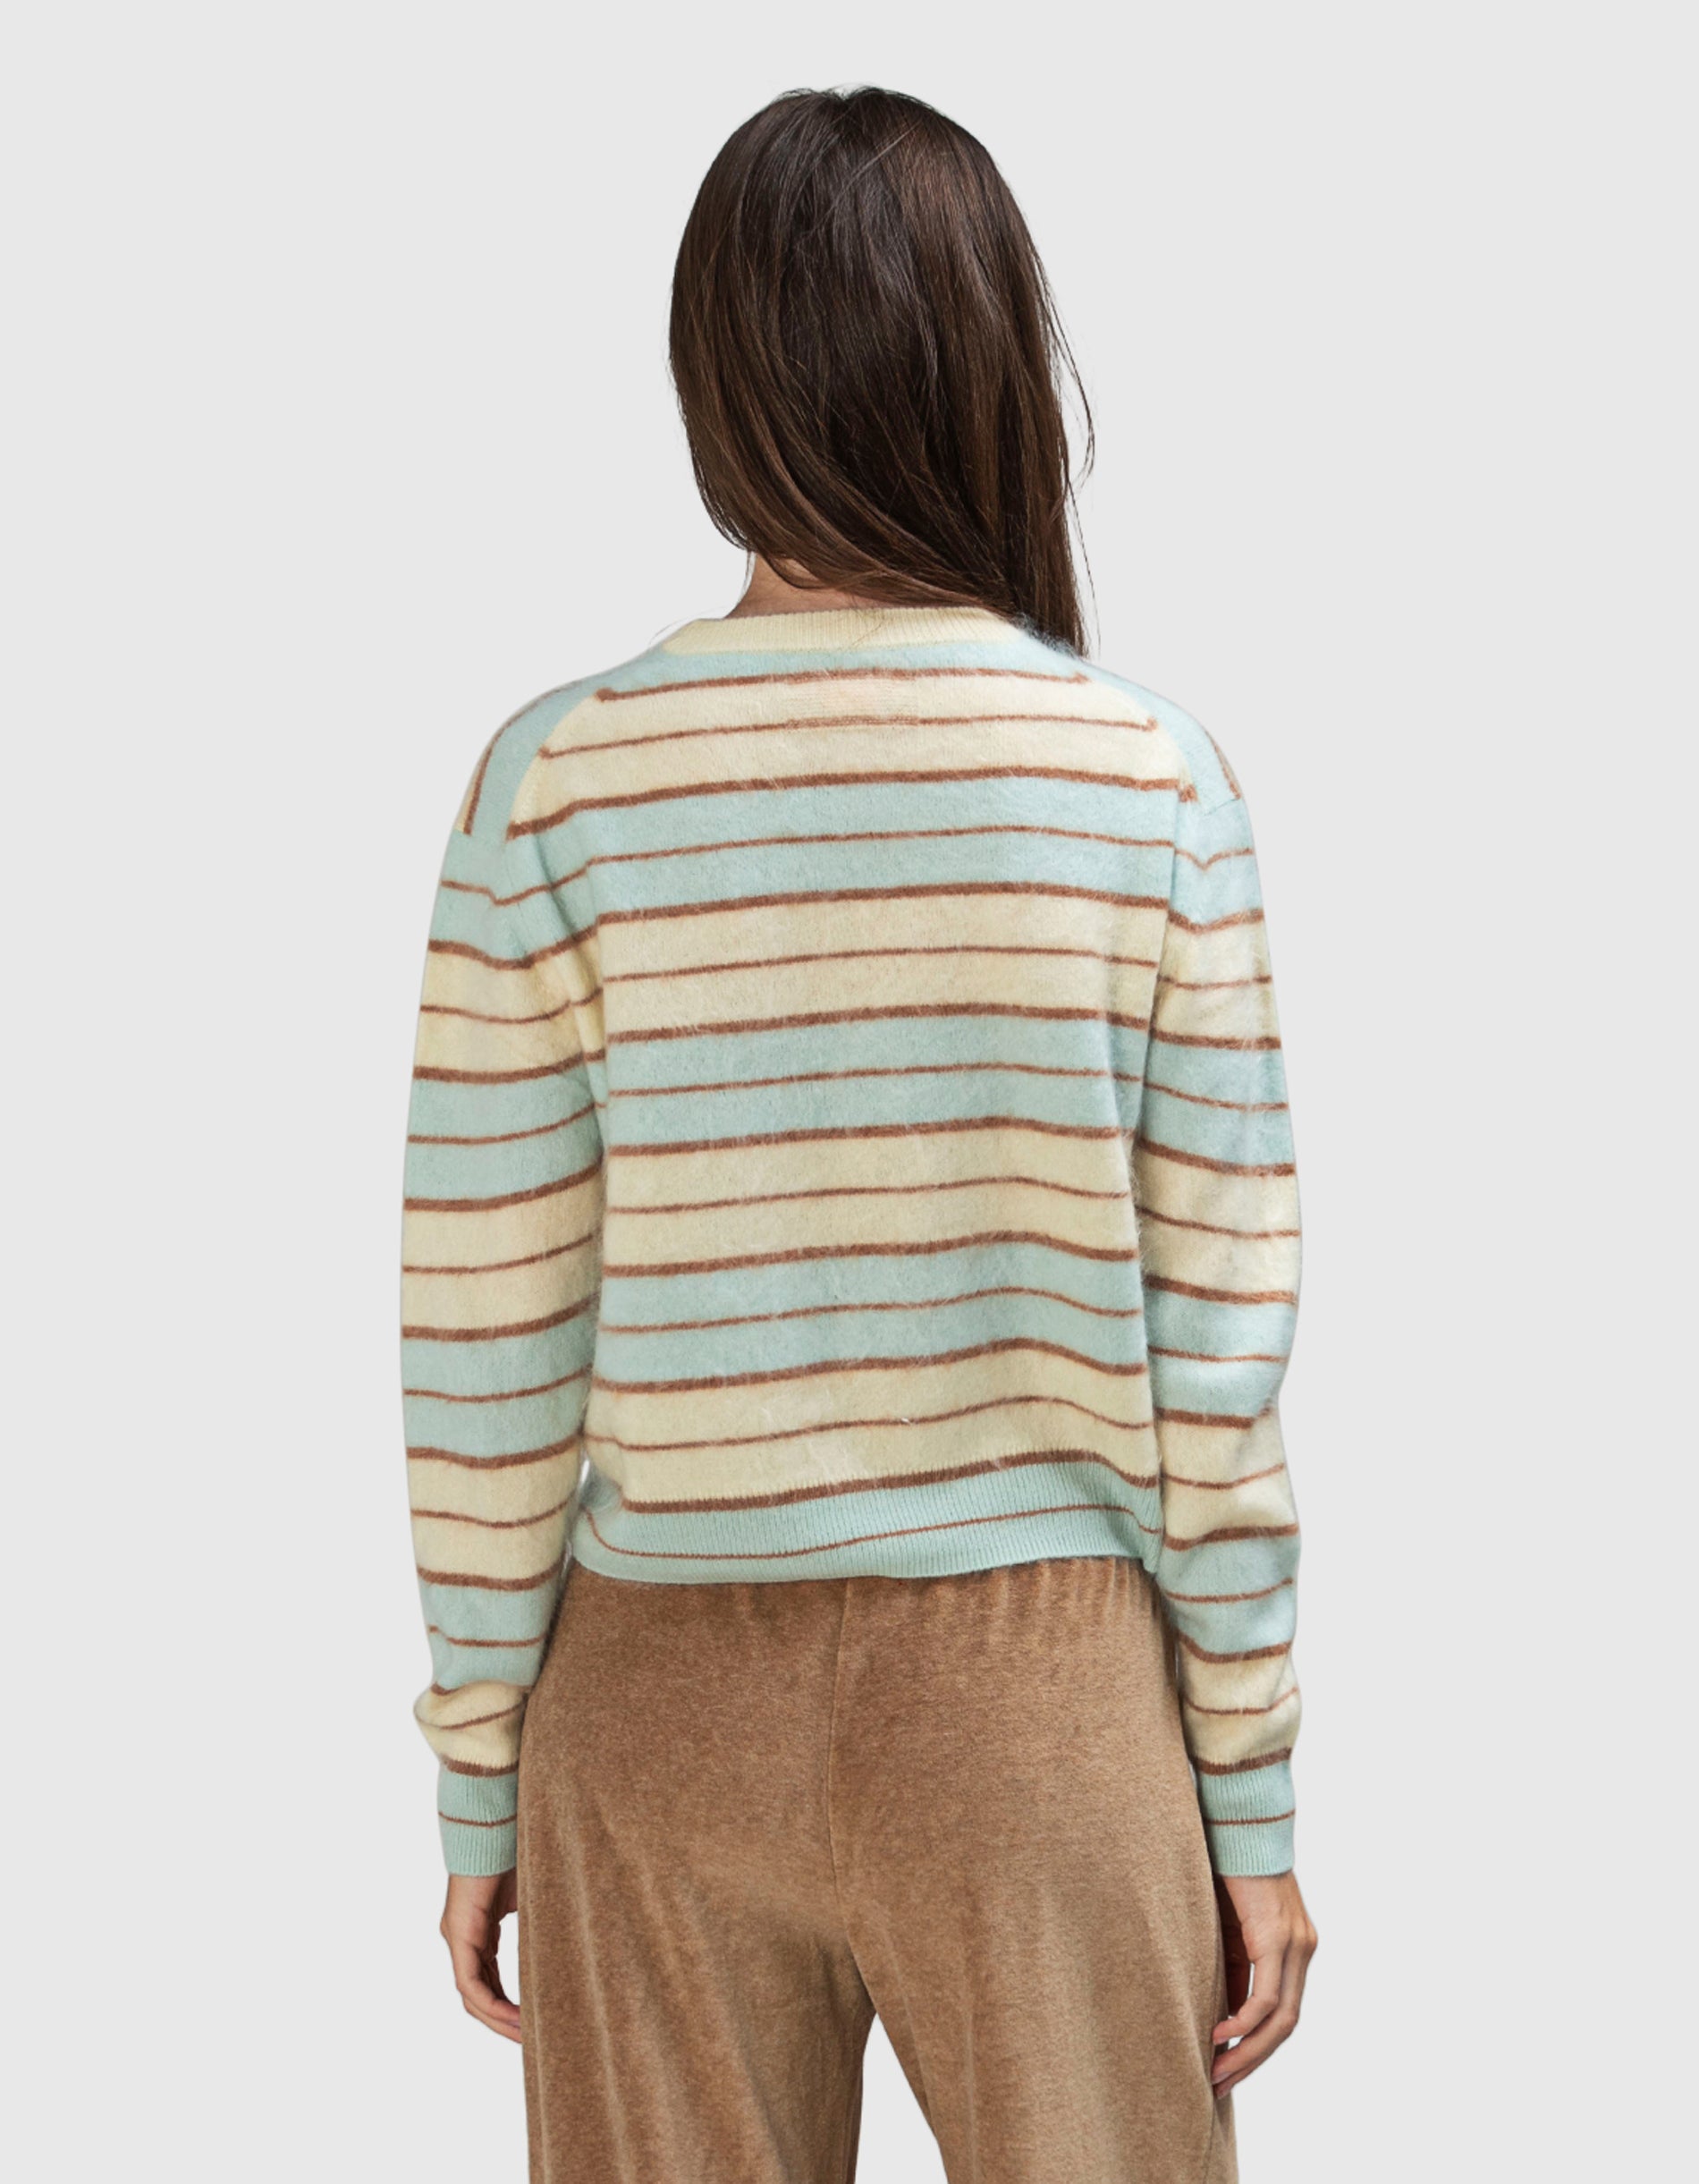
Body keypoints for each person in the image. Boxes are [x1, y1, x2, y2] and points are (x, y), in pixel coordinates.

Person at [400, 84, 1316, 2184]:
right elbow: (1216, 1363)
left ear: (709, 376)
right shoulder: (1146, 785)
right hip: (1041, 1710)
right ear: (997, 363)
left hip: (650, 1708)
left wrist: (479, 1770)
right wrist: (1248, 1801)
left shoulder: (556, 784)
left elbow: (483, 1335)